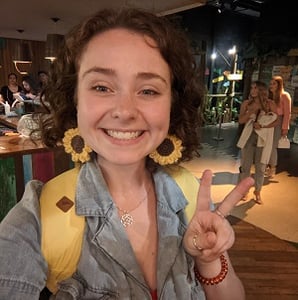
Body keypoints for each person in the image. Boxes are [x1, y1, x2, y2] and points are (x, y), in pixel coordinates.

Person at [0, 8, 253, 299]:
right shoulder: (38, 217)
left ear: (172, 103)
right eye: (102, 87)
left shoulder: (188, 191)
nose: (124, 111)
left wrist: (208, 262)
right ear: (75, 99)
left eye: (148, 90)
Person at [237, 81, 278, 204]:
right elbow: (241, 121)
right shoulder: (246, 103)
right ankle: (244, 190)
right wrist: (251, 112)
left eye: (255, 88)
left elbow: (276, 121)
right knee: (246, 167)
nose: (252, 90)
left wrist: (263, 126)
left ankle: (258, 191)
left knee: (261, 167)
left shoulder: (270, 104)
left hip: (263, 138)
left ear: (261, 90)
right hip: (249, 137)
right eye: (251, 87)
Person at [266, 75, 292, 177]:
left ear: (279, 85)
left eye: (274, 84)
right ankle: (269, 166)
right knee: (267, 144)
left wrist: (285, 127)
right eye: (271, 83)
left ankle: (273, 167)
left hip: (279, 121)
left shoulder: (285, 95)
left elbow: (287, 113)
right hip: (269, 120)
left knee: (273, 146)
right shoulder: (270, 96)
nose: (271, 85)